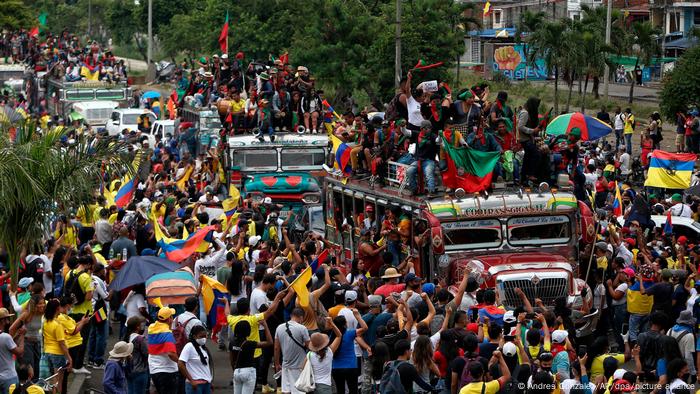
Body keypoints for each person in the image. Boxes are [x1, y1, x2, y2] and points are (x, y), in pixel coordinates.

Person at [274, 308, 310, 394]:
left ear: (291, 316)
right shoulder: (302, 328)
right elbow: (309, 346)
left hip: (285, 365)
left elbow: (276, 348)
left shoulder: (279, 327)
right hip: (299, 366)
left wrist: (276, 364)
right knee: (299, 391)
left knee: (286, 391)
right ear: (301, 317)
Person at [230, 320, 272, 394]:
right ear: (248, 331)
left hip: (237, 372)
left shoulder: (232, 343)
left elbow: (232, 360)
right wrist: (265, 326)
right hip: (248, 371)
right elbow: (269, 342)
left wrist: (235, 370)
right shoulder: (249, 344)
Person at [9, 295, 44, 379]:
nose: (42, 305)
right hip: (27, 343)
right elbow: (11, 329)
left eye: (43, 303)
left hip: (37, 343)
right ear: (34, 305)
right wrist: (12, 344)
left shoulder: (42, 312)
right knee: (29, 371)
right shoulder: (26, 314)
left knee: (36, 370)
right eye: (40, 304)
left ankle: (35, 390)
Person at [147, 305, 179, 394]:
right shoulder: (167, 334)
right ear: (169, 319)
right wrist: (180, 362)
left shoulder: (151, 328)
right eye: (171, 317)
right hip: (167, 372)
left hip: (154, 370)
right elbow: (171, 354)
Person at [41, 299, 71, 394]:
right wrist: (69, 358)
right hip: (58, 354)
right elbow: (62, 343)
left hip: (48, 353)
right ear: (57, 308)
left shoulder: (46, 322)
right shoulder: (57, 325)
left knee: (53, 380)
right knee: (58, 381)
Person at [178, 325, 212, 394]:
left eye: (205, 336)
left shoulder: (203, 348)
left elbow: (206, 366)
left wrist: (209, 380)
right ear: (194, 336)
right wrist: (191, 380)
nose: (204, 338)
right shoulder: (189, 346)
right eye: (201, 336)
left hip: (206, 384)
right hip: (195, 385)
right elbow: (180, 364)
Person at [0, 308, 24, 394]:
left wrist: (15, 336)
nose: (8, 321)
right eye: (6, 319)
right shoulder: (5, 337)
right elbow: (20, 352)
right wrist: (22, 337)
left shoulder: (6, 337)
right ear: (2, 321)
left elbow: (4, 346)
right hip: (9, 378)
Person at [125, 316, 149, 394]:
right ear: (137, 327)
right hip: (140, 371)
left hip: (128, 369)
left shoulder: (126, 337)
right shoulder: (140, 339)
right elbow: (147, 353)